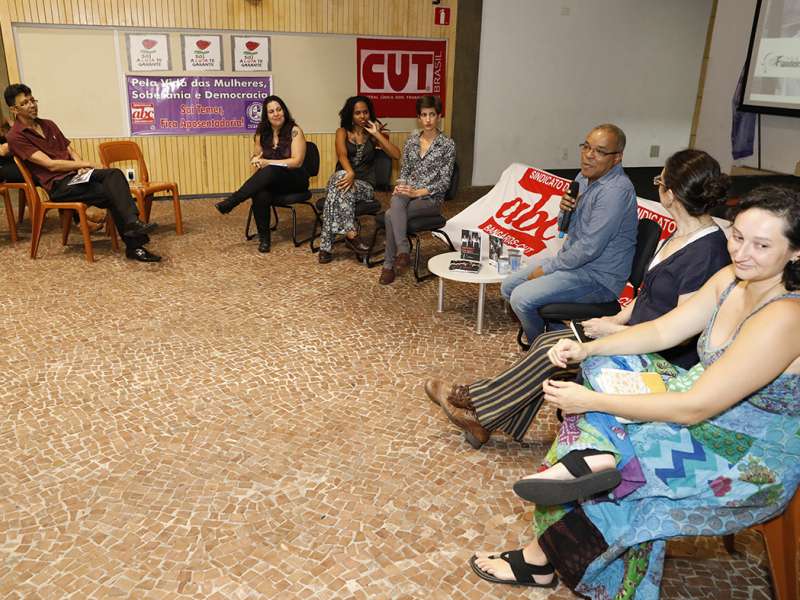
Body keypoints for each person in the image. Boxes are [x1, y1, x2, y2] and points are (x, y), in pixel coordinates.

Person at [469, 185, 800, 598]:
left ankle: (549, 543)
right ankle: (594, 456)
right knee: (604, 365)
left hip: (747, 449)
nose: (742, 252)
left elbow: (695, 407)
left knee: (629, 469)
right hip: (703, 403)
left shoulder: (785, 316)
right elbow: (663, 330)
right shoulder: (732, 279)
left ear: (795, 252)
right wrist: (589, 348)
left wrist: (590, 401)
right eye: (737, 236)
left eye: (761, 245)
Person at [425, 149, 732, 449]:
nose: (658, 186)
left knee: (550, 349)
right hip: (633, 332)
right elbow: (647, 296)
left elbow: (680, 335)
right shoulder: (678, 235)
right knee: (551, 345)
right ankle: (483, 417)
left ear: (671, 194)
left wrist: (614, 330)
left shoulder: (706, 253)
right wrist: (614, 319)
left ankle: (477, 407)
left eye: (659, 180)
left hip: (659, 355)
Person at [501, 124, 638, 342]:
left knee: (521, 298)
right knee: (508, 287)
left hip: (598, 278)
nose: (589, 155)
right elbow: (564, 229)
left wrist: (545, 269)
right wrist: (566, 211)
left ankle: (542, 350)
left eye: (600, 151)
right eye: (586, 147)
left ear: (617, 157)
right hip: (574, 265)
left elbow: (588, 249)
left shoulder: (615, 191)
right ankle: (558, 338)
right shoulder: (583, 178)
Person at [4, 83, 160, 261]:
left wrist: (80, 166)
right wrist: (86, 164)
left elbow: (69, 150)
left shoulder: (48, 124)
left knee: (114, 174)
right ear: (14, 109)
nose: (32, 105)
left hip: (75, 177)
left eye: (32, 100)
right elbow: (50, 165)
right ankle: (135, 245)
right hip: (59, 185)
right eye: (25, 103)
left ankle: (133, 223)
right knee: (113, 192)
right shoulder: (15, 136)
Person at [215, 95, 308, 253]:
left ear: (284, 111)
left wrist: (268, 162)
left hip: (294, 179)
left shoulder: (295, 131)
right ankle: (264, 239)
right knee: (260, 192)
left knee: (270, 169)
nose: (276, 114)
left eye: (279, 109)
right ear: (266, 115)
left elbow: (297, 162)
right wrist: (256, 160)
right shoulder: (262, 133)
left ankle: (233, 201)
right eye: (271, 111)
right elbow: (256, 155)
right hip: (273, 180)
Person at [378, 95, 455, 285]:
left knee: (390, 215)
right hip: (409, 192)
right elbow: (405, 171)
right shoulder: (411, 141)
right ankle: (403, 250)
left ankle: (389, 265)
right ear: (418, 118)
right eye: (424, 115)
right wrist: (401, 185)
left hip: (430, 199)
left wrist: (417, 193)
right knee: (397, 198)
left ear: (439, 116)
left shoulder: (447, 145)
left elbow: (444, 182)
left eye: (432, 114)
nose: (428, 120)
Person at [318, 96, 400, 264]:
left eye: (365, 112)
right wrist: (350, 172)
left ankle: (326, 247)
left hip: (365, 186)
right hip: (342, 181)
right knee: (341, 179)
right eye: (357, 113)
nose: (362, 116)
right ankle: (351, 234)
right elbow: (341, 154)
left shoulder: (372, 135)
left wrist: (377, 134)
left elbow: (396, 155)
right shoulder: (342, 132)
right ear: (350, 115)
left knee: (336, 193)